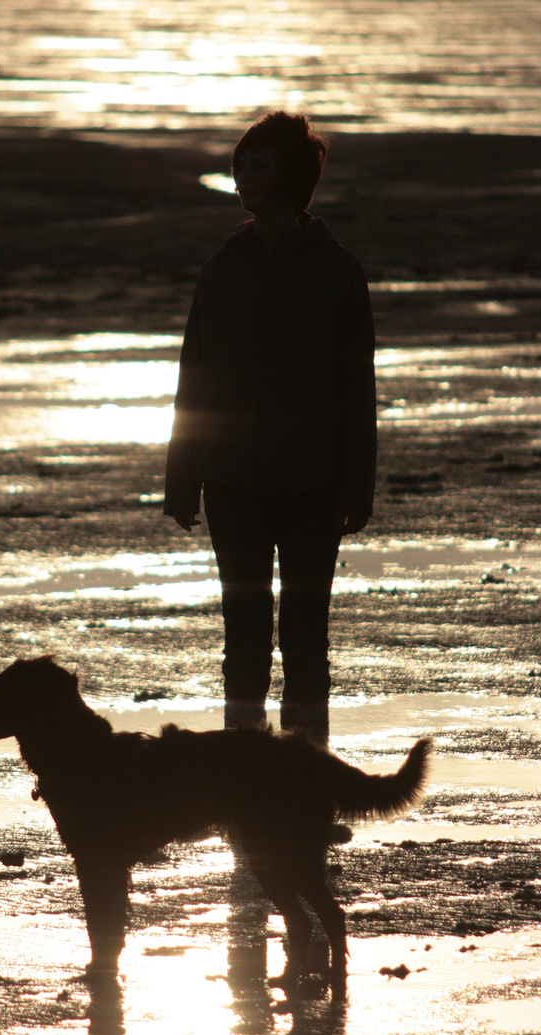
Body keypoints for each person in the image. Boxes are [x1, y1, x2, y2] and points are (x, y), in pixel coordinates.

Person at [164, 112, 376, 748]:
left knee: (306, 637)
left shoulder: (338, 271)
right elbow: (192, 379)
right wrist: (181, 480)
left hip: (314, 484)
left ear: (292, 175)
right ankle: (246, 778)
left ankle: (307, 776)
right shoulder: (221, 268)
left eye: (259, 165)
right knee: (244, 635)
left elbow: (356, 389)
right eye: (240, 166)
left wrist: (357, 486)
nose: (244, 177)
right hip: (231, 483)